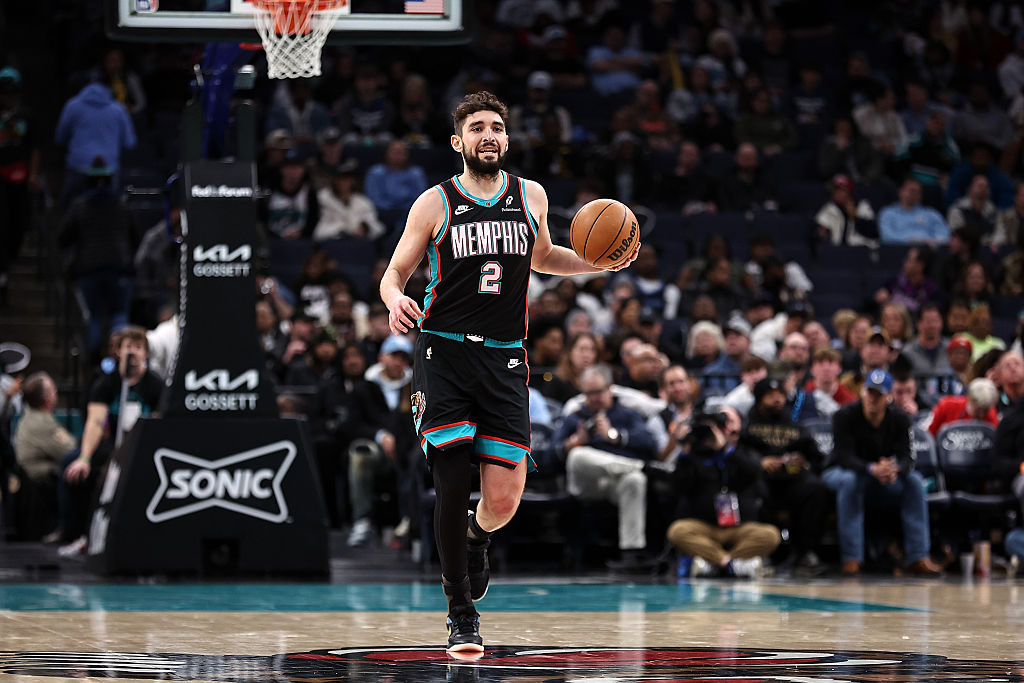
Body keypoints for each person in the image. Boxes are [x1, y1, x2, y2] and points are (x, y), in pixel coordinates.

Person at [378, 91, 638, 652]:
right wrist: (394, 298)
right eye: (478, 128)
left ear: (507, 138)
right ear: (459, 141)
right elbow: (394, 272)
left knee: (502, 501)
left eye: (497, 127)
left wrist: (595, 261)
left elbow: (544, 259)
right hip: (442, 352)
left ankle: (476, 538)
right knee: (450, 482)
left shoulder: (532, 196)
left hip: (505, 356)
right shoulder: (434, 203)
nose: (489, 135)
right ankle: (459, 610)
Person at [822, 369, 943, 576]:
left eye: (878, 395)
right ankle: (852, 559)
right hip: (841, 472)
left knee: (914, 481)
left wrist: (894, 469)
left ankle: (918, 556)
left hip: (881, 476)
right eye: (870, 392)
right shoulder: (845, 415)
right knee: (851, 481)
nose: (873, 399)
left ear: (888, 397)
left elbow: (907, 457)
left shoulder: (899, 419)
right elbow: (843, 456)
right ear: (862, 392)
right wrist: (872, 468)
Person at [60, 328, 164, 555]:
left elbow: (160, 427)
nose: (133, 352)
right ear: (118, 351)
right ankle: (80, 535)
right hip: (111, 447)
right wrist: (85, 458)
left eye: (138, 347)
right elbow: (95, 422)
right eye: (128, 346)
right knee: (75, 466)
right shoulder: (106, 384)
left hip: (142, 448)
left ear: (146, 353)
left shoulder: (156, 386)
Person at [557, 365, 657, 567]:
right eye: (588, 393)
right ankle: (637, 466)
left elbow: (649, 443)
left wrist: (615, 436)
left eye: (598, 391)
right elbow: (549, 455)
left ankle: (631, 553)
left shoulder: (627, 415)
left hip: (615, 483)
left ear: (610, 388)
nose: (593, 397)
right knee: (577, 455)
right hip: (585, 483)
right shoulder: (574, 417)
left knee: (635, 480)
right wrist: (574, 441)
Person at [667, 406, 781, 578]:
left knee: (770, 535)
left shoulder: (743, 451)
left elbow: (752, 472)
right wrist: (685, 450)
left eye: (721, 425)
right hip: (704, 526)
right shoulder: (693, 456)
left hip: (739, 527)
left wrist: (726, 449)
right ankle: (731, 564)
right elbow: (679, 487)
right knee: (677, 531)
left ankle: (713, 563)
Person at [741, 378, 830, 575]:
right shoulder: (747, 427)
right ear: (759, 398)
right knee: (754, 490)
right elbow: (737, 455)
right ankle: (763, 552)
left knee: (816, 489)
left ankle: (806, 553)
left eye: (780, 395)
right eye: (770, 395)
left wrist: (803, 462)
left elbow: (818, 459)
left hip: (791, 480)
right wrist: (759, 463)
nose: (777, 399)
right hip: (762, 479)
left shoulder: (795, 427)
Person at [878, 178, 950, 244]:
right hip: (898, 251)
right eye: (911, 190)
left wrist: (931, 241)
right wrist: (910, 240)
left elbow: (944, 236)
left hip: (928, 252)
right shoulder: (888, 213)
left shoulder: (931, 214)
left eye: (918, 192)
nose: (914, 194)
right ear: (901, 192)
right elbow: (887, 237)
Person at [927, 377, 1000, 436]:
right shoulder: (947, 406)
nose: (982, 414)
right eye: (979, 410)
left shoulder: (991, 412)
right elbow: (931, 434)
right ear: (970, 399)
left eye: (985, 410)